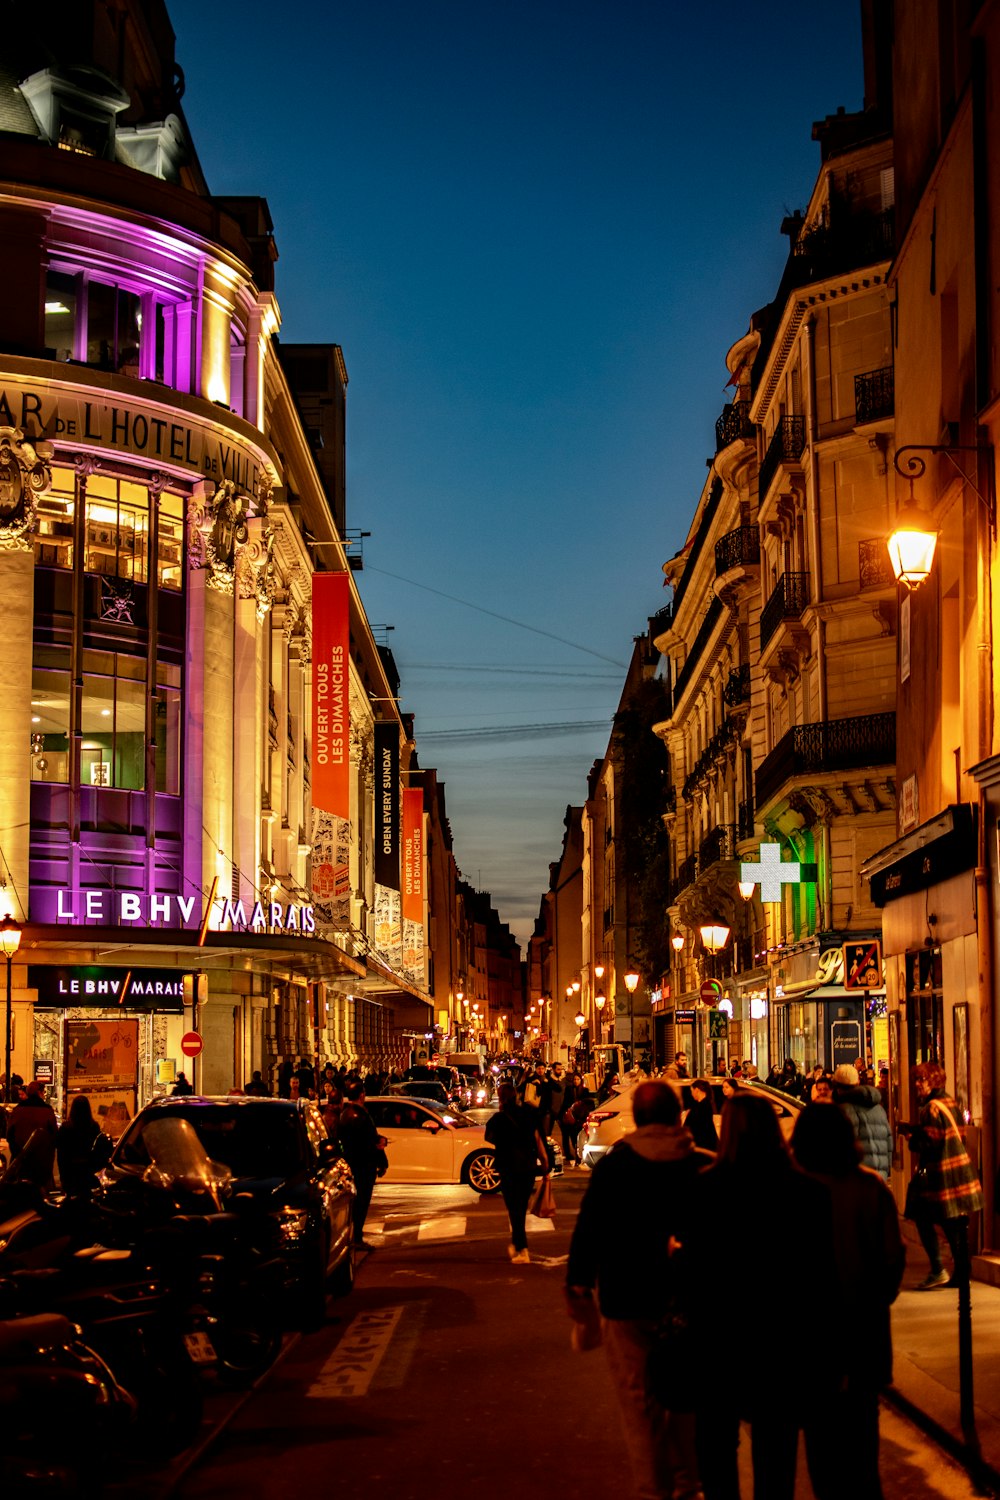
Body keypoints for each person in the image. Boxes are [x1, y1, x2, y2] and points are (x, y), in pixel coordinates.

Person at [685, 1093, 837, 1499]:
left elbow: (693, 1271)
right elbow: (823, 1277)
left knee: (716, 1450)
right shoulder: (808, 1192)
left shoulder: (706, 1190)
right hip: (783, 1341)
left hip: (720, 1338)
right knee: (776, 1450)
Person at [566, 1080, 706, 1500]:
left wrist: (578, 1287)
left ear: (639, 1118)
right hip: (688, 1301)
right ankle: (689, 1483)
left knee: (638, 1402)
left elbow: (589, 1230)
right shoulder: (699, 1165)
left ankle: (653, 1489)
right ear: (678, 1115)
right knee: (687, 1400)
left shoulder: (616, 1167)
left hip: (626, 1299)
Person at [791, 1103, 905, 1500]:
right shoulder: (871, 1187)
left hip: (810, 1340)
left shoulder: (793, 1190)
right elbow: (891, 1264)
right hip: (863, 1334)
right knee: (861, 1450)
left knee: (822, 1450)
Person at [898, 1061, 983, 1290]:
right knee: (951, 1223)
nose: (917, 1085)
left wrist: (912, 1140)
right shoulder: (949, 1102)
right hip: (957, 1170)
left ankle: (939, 1269)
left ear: (933, 1080)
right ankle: (960, 1272)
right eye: (916, 1080)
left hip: (941, 1175)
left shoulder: (931, 1108)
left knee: (926, 1219)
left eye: (921, 1080)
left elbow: (931, 1141)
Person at [484, 1083, 550, 1264]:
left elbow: (488, 1137)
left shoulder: (498, 1119)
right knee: (519, 1208)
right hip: (527, 1168)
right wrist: (546, 1168)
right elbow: (540, 1143)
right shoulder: (529, 1116)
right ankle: (517, 1244)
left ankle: (522, 1249)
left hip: (508, 1168)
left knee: (514, 1210)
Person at [338, 1078, 388, 1249]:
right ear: (361, 1095)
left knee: (356, 1202)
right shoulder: (359, 1116)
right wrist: (379, 1146)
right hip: (363, 1165)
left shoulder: (346, 1114)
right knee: (361, 1202)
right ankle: (356, 1237)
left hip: (354, 1163)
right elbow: (368, 1141)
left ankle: (354, 1235)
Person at [831, 1064, 892, 1178]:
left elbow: (843, 1147)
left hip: (857, 1177)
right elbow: (889, 1140)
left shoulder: (844, 1110)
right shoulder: (878, 1108)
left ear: (837, 1087)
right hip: (880, 1175)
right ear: (857, 1082)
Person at [56, 1094, 112, 1196]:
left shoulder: (66, 1128)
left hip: (70, 1171)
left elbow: (61, 1154)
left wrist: (63, 1176)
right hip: (88, 1171)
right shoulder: (93, 1127)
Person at [5, 1080, 58, 1159]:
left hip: (20, 1159)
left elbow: (9, 1135)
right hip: (41, 1160)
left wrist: (17, 1153)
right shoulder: (47, 1111)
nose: (44, 1095)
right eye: (43, 1092)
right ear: (39, 1093)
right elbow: (54, 1136)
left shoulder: (17, 1110)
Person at [684, 1078, 719, 1152]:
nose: (691, 1094)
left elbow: (697, 1127)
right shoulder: (703, 1104)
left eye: (692, 1091)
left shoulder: (703, 1106)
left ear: (696, 1090)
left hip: (702, 1146)